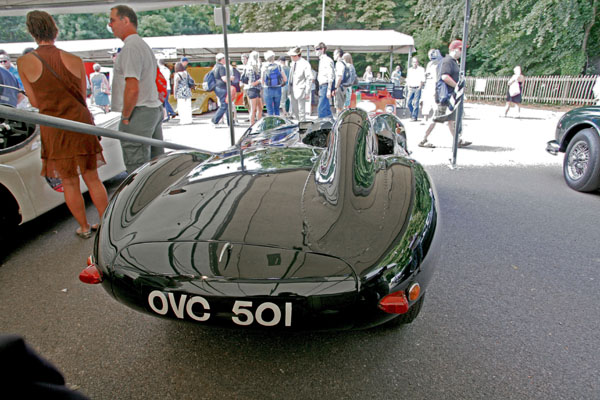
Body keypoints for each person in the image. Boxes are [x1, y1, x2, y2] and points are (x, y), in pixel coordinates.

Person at [18, 10, 108, 239]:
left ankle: (84, 227)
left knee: (69, 182)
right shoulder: (75, 60)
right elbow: (81, 94)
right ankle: (106, 224)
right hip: (80, 124)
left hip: (54, 127)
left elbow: (36, 102)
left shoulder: (24, 63)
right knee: (93, 178)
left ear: (31, 31)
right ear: (54, 29)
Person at [109, 5, 164, 174]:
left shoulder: (131, 48)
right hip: (151, 108)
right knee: (156, 165)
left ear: (125, 21)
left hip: (138, 111)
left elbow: (132, 87)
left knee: (137, 169)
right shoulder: (141, 45)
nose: (110, 25)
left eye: (112, 20)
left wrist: (126, 116)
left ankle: (141, 200)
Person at [419, 39, 471, 148]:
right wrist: (457, 86)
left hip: (449, 96)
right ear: (453, 49)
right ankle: (422, 139)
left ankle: (457, 140)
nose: (462, 52)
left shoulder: (452, 61)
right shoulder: (447, 61)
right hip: (445, 96)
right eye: (460, 49)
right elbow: (444, 77)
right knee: (436, 118)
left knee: (450, 119)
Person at [286, 46, 312, 121]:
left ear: (296, 55)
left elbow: (309, 78)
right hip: (292, 89)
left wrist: (307, 91)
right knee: (295, 110)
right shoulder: (293, 63)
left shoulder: (305, 64)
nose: (291, 57)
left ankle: (302, 126)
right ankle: (299, 123)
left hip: (301, 89)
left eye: (292, 55)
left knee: (301, 111)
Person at [262, 50, 286, 116]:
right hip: (278, 88)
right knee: (277, 109)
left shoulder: (264, 66)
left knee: (269, 110)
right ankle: (278, 125)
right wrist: (281, 83)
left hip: (267, 89)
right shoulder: (279, 66)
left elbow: (262, 80)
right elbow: (285, 79)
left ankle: (271, 125)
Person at [421, 49, 443, 122]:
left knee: (435, 101)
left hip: (435, 84)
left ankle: (435, 116)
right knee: (426, 101)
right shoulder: (429, 64)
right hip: (428, 84)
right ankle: (425, 118)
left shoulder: (440, 63)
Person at [315, 42, 334, 118]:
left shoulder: (327, 60)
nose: (316, 51)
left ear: (322, 49)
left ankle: (321, 122)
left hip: (326, 85)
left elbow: (330, 75)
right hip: (322, 85)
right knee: (325, 107)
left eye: (317, 49)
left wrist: (329, 89)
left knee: (321, 108)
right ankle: (330, 121)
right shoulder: (322, 60)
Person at [211, 52, 231, 127]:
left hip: (217, 87)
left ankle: (230, 121)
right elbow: (224, 79)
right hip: (222, 88)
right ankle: (214, 120)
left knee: (226, 104)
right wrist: (230, 78)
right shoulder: (221, 67)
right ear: (222, 59)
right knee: (224, 105)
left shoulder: (215, 66)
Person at [245, 51, 263, 125]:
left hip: (256, 90)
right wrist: (260, 80)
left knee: (259, 108)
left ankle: (257, 124)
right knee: (254, 109)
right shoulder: (251, 68)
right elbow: (252, 83)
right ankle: (252, 125)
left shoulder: (256, 67)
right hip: (252, 89)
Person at [406, 57, 425, 121]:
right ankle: (412, 112)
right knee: (408, 102)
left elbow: (422, 78)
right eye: (414, 62)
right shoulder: (409, 70)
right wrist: (408, 86)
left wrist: (420, 86)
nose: (415, 63)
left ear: (417, 62)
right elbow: (408, 78)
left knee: (416, 103)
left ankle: (414, 116)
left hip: (417, 87)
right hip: (411, 87)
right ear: (412, 63)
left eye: (416, 62)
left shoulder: (421, 69)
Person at [332, 48, 347, 115]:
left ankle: (339, 123)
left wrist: (335, 87)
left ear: (338, 54)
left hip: (339, 87)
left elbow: (339, 77)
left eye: (334, 54)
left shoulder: (339, 63)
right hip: (344, 87)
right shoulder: (344, 63)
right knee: (342, 106)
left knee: (338, 107)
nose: (333, 56)